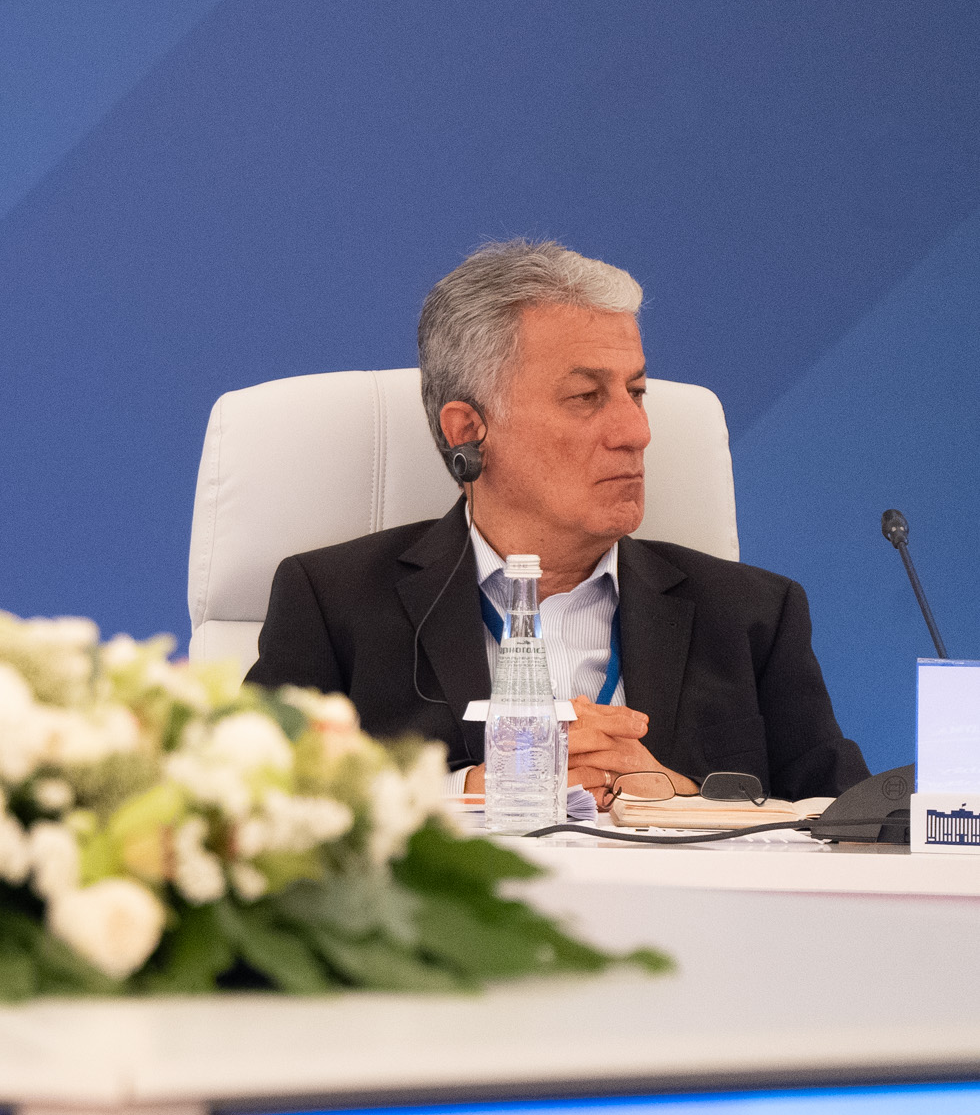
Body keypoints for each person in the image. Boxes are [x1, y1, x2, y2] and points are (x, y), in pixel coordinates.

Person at [245, 240, 867, 804]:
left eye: (636, 392)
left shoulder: (753, 615)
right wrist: (464, 793)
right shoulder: (335, 604)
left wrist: (682, 804)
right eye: (586, 397)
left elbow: (851, 825)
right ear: (469, 432)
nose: (636, 432)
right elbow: (246, 809)